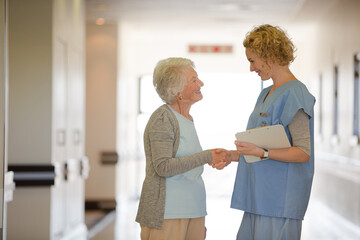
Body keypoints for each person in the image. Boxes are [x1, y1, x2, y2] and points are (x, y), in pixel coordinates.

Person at [230, 24, 316, 240]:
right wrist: (231, 155)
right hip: (258, 198)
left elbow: (303, 152)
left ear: (269, 55)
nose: (252, 68)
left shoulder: (296, 93)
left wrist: (263, 153)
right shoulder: (266, 93)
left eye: (252, 61)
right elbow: (258, 144)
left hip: (280, 204)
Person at [135, 57, 230, 240]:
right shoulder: (163, 119)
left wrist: (211, 157)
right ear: (176, 90)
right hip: (168, 212)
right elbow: (163, 167)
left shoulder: (186, 118)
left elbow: (189, 164)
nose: (200, 83)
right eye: (194, 79)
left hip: (192, 209)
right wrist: (206, 156)